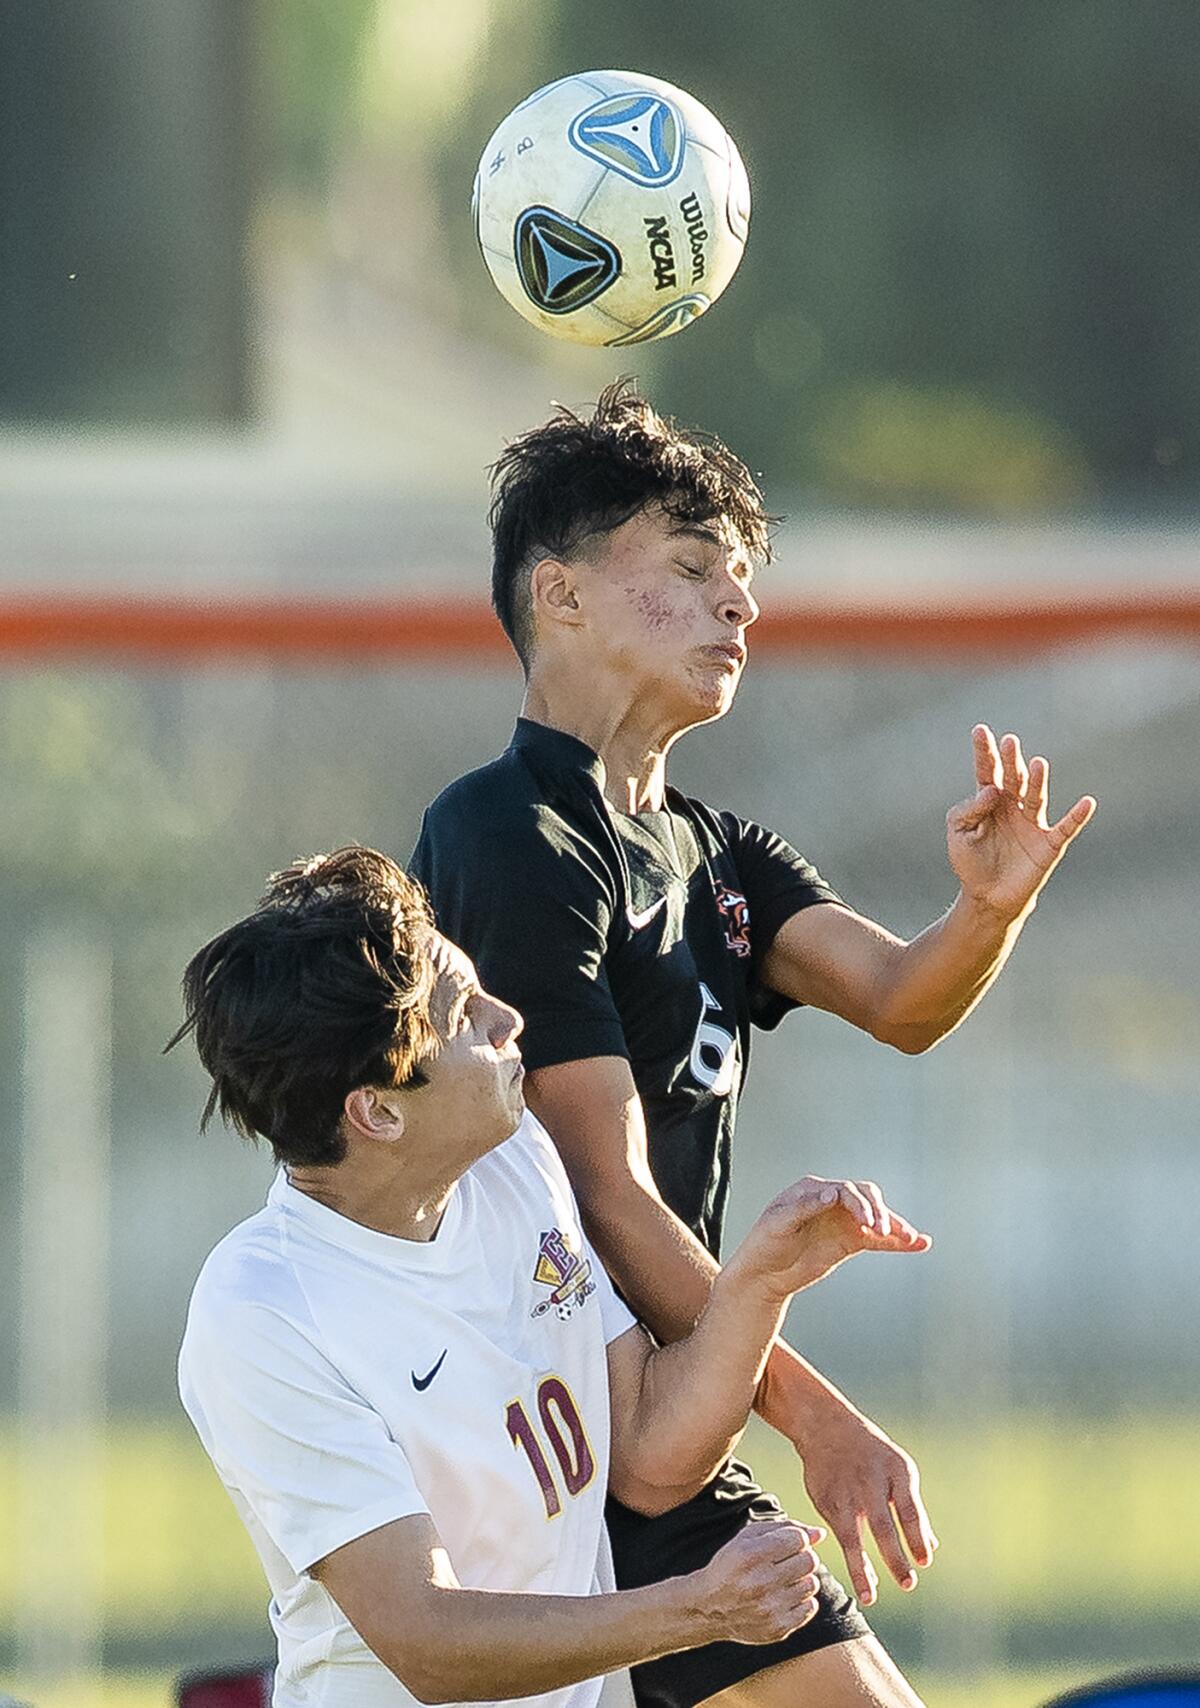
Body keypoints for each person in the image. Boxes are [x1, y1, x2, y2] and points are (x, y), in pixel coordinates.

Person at [410, 382, 1097, 1708]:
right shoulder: (512, 833)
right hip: (553, 1424)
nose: (740, 603)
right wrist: (817, 1420)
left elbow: (902, 998)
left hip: (657, 1415)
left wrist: (983, 912)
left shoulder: (719, 849)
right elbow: (600, 1192)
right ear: (557, 595)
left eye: (742, 578)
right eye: (688, 568)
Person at [173, 846, 930, 1708]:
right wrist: (703, 1607)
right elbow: (428, 1642)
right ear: (377, 1110)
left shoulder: (513, 1163)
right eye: (466, 1013)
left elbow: (646, 1447)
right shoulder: (263, 1313)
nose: (509, 1018)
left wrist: (757, 1288)